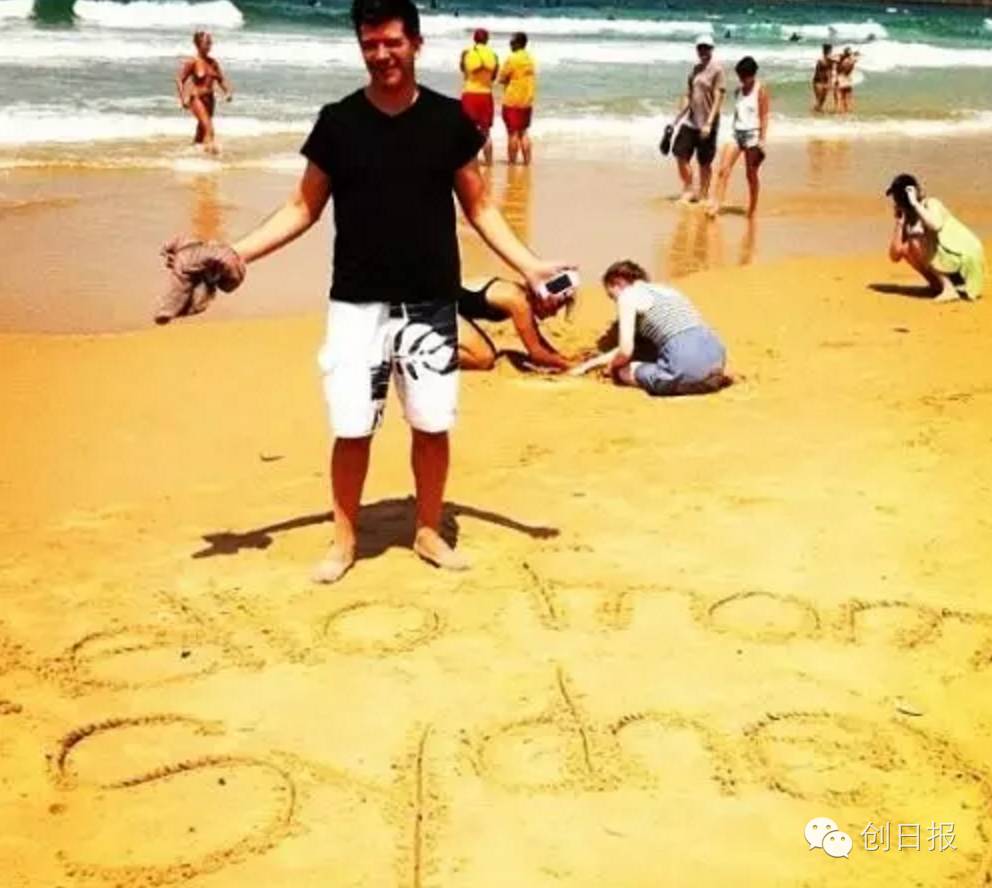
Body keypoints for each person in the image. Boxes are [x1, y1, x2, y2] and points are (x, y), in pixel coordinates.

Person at [176, 0, 570, 583]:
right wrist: (235, 253)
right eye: (370, 44)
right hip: (356, 303)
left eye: (392, 42)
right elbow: (302, 207)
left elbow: (481, 206)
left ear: (416, 44)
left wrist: (531, 266)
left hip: (430, 303)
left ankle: (429, 531)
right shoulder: (338, 123)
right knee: (352, 428)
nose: (382, 54)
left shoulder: (447, 121)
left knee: (431, 425)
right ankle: (343, 542)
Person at [569, 260, 731, 396]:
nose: (615, 301)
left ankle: (684, 382)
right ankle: (706, 379)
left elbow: (625, 351)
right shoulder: (668, 291)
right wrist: (587, 366)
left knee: (623, 371)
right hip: (716, 355)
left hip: (685, 362)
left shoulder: (628, 295)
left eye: (612, 296)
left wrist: (613, 368)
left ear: (617, 283)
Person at [886, 173, 985, 302]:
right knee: (908, 247)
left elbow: (935, 225)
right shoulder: (909, 219)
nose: (896, 202)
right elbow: (895, 255)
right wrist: (899, 223)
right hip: (950, 260)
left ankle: (949, 288)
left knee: (915, 241)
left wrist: (915, 204)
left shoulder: (931, 204)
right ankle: (938, 285)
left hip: (965, 256)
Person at [457, 278, 573, 370]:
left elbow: (538, 341)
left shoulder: (522, 294)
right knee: (483, 358)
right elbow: (538, 353)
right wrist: (570, 366)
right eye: (555, 306)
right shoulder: (520, 302)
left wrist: (563, 358)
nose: (553, 314)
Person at [708, 56, 769, 219]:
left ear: (752, 75)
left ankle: (753, 208)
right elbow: (737, 114)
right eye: (740, 76)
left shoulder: (760, 91)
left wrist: (762, 140)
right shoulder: (738, 91)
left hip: (752, 136)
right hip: (736, 133)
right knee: (723, 169)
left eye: (744, 76)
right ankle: (716, 205)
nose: (741, 79)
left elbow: (764, 116)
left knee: (751, 174)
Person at [672, 35, 726, 204]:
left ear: (711, 49)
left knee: (704, 161)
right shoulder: (695, 70)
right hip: (691, 121)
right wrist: (677, 118)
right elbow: (689, 95)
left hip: (708, 122)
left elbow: (718, 97)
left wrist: (709, 123)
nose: (703, 51)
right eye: (700, 48)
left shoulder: (717, 70)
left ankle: (703, 194)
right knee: (680, 153)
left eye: (706, 48)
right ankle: (689, 188)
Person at [176, 31, 233, 155]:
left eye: (210, 43)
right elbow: (179, 79)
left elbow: (220, 79)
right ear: (198, 44)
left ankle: (191, 153)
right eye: (207, 43)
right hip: (197, 99)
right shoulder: (193, 62)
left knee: (201, 131)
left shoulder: (213, 62)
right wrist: (182, 98)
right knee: (209, 129)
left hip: (210, 100)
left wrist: (227, 92)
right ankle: (210, 158)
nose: (209, 46)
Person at [459, 28, 499, 166]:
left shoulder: (467, 53)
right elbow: (494, 76)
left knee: (469, 131)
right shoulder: (493, 55)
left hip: (470, 94)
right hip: (486, 94)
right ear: (487, 40)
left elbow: (464, 71)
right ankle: (489, 162)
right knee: (486, 131)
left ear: (474, 39)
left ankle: (472, 162)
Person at [498, 32, 536, 165]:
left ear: (518, 44)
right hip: (527, 101)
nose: (510, 44)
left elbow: (502, 79)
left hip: (512, 100)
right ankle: (527, 162)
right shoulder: (530, 59)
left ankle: (512, 162)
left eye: (512, 42)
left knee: (512, 133)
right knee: (524, 132)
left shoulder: (512, 59)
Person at [812, 43, 836, 113]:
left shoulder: (831, 60)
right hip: (818, 81)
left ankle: (817, 112)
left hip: (825, 81)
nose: (829, 52)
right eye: (829, 50)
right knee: (819, 99)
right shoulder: (821, 60)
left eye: (829, 50)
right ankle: (816, 112)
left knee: (823, 100)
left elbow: (831, 71)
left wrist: (830, 81)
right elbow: (818, 72)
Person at [834, 47, 859, 114]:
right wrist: (854, 55)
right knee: (847, 100)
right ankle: (847, 114)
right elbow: (856, 59)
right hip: (848, 81)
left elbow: (838, 71)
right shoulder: (852, 61)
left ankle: (839, 114)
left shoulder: (840, 62)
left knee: (840, 99)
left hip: (841, 80)